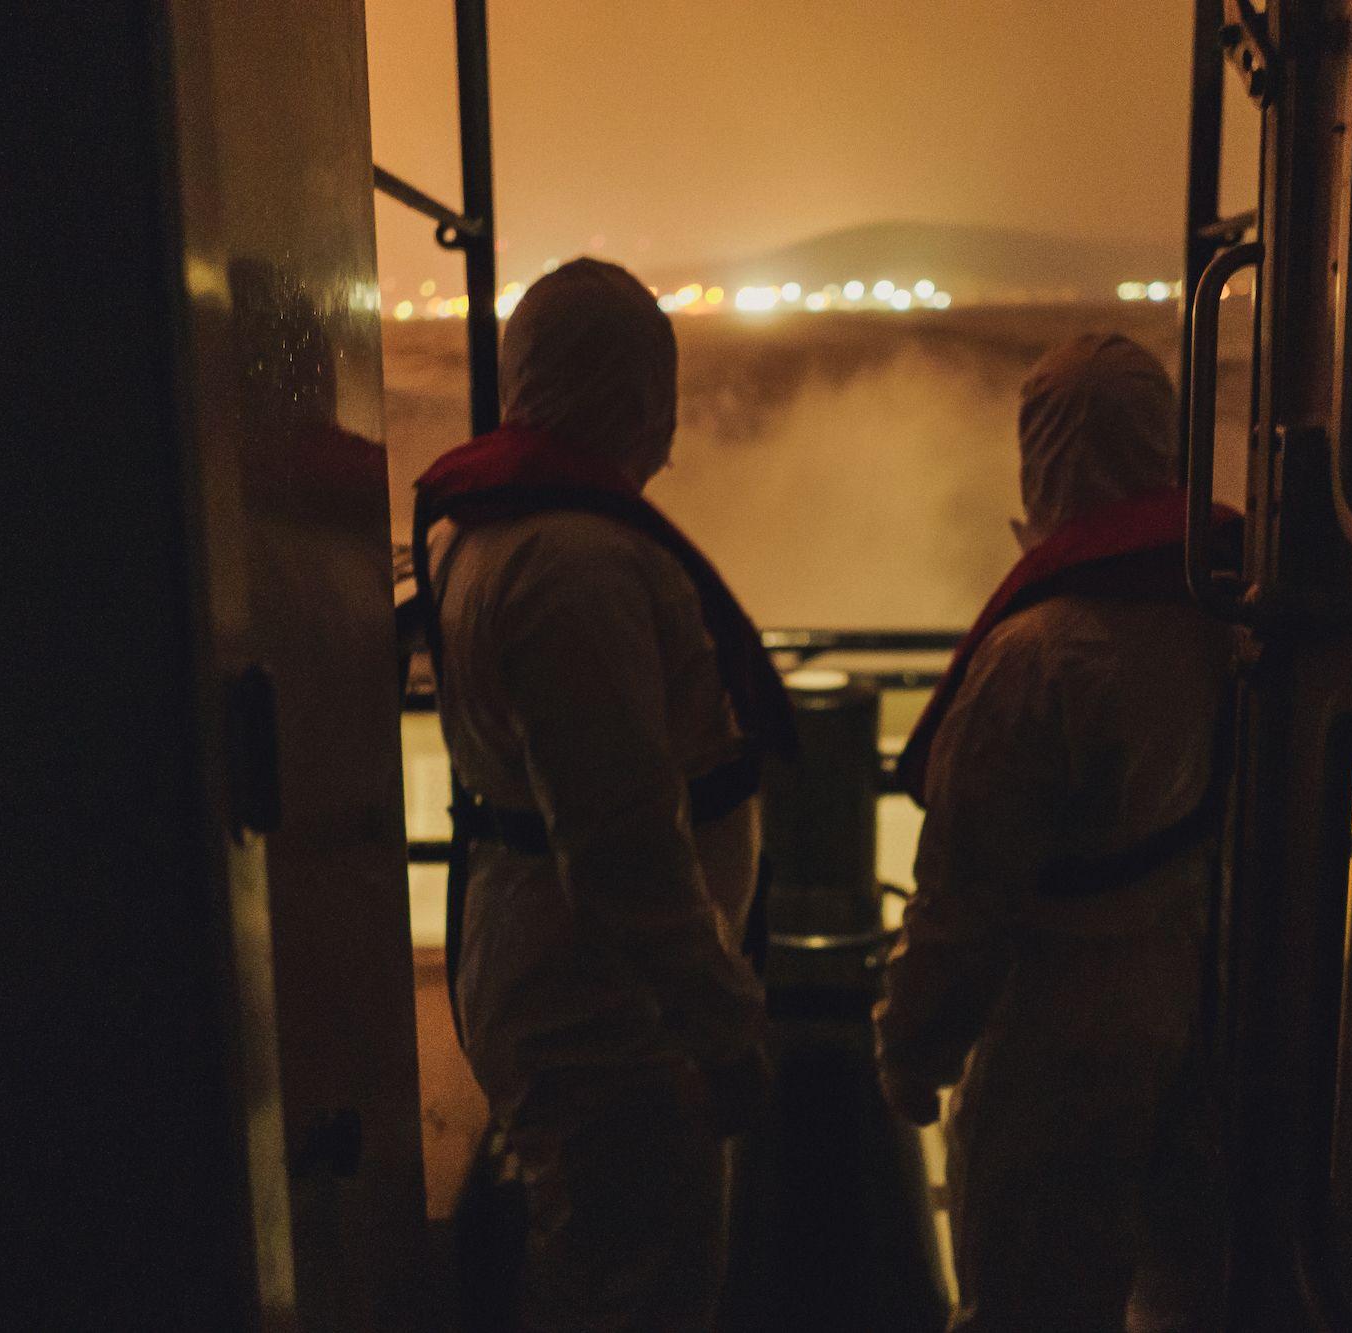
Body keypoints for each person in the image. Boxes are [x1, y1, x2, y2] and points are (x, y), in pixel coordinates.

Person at [411, 258, 793, 1331]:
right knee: (631, 1290)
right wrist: (719, 1024)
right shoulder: (576, 567)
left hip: (565, 972)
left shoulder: (494, 539)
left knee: (592, 1264)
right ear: (634, 393)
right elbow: (621, 840)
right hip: (606, 1006)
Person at [873, 333, 1234, 1330]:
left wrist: (913, 1047)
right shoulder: (1226, 614)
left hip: (1052, 1024)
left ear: (1039, 457)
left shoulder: (1034, 658)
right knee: (1186, 1286)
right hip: (1192, 986)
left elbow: (961, 895)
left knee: (1030, 1294)